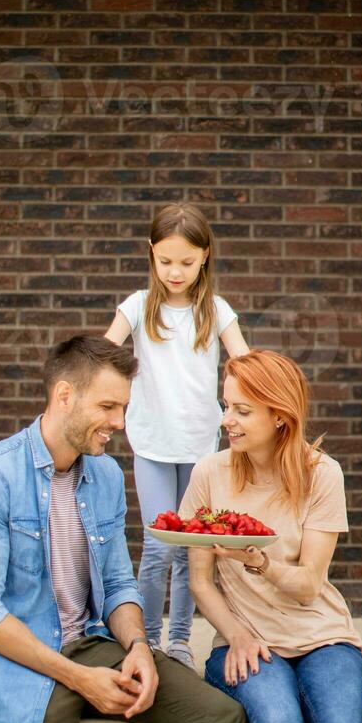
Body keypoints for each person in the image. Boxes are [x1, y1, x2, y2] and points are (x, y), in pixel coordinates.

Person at [0, 335, 247, 723]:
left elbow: (117, 584)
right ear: (64, 396)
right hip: (14, 669)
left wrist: (138, 649)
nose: (119, 424)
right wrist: (80, 679)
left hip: (88, 646)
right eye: (108, 406)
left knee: (220, 721)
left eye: (124, 408)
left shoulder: (104, 475)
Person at [182, 349, 362, 723]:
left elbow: (310, 582)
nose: (228, 421)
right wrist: (235, 632)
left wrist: (259, 561)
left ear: (280, 416)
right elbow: (200, 581)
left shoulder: (321, 473)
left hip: (324, 636)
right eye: (226, 406)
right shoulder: (210, 473)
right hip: (247, 641)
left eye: (242, 411)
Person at [105, 203, 249, 671]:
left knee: (192, 552)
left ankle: (181, 641)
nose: (175, 271)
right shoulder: (137, 306)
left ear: (205, 257)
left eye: (186, 262)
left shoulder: (216, 310)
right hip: (151, 444)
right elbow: (106, 353)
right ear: (152, 254)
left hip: (200, 446)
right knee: (158, 546)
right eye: (166, 261)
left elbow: (245, 362)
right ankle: (144, 641)